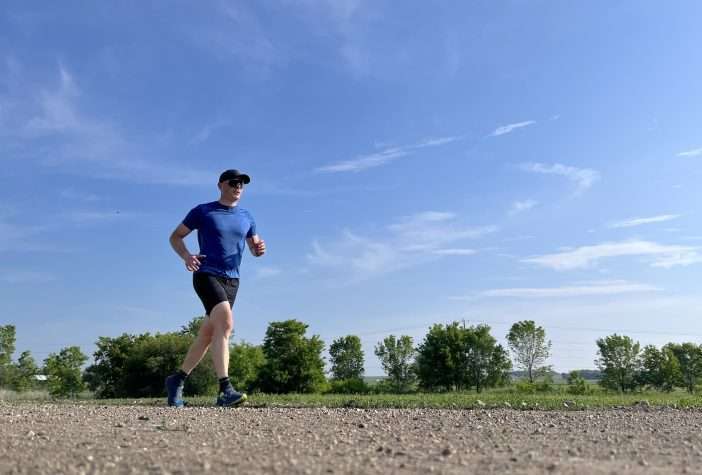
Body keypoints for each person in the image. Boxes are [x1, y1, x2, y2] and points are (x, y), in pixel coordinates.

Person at [165, 169, 266, 407]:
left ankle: (176, 380)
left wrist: (259, 249)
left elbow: (254, 246)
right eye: (233, 182)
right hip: (206, 274)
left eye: (242, 183)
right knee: (227, 324)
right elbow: (176, 237)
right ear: (220, 185)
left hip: (233, 281)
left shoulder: (247, 217)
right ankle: (225, 389)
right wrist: (186, 256)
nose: (238, 186)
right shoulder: (203, 211)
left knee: (209, 334)